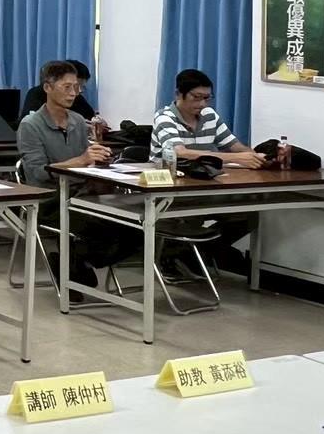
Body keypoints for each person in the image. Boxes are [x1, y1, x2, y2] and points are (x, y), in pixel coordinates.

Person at [16, 60, 141, 287]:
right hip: (48, 199)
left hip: (81, 194)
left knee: (135, 225)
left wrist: (99, 160)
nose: (74, 93)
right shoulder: (30, 124)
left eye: (77, 87)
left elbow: (86, 162)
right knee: (100, 225)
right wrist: (82, 160)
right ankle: (73, 262)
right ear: (47, 87)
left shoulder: (76, 120)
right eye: (67, 87)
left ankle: (75, 259)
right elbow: (37, 173)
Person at [151, 68, 263, 273]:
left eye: (206, 98)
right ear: (179, 94)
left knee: (248, 213)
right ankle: (183, 254)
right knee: (191, 216)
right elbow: (181, 152)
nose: (202, 104)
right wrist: (237, 158)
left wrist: (256, 157)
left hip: (204, 187)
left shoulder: (209, 116)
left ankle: (193, 252)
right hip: (169, 191)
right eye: (196, 97)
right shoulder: (165, 117)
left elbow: (235, 146)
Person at [22, 59, 98, 120]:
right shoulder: (36, 93)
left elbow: (90, 116)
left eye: (81, 87)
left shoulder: (77, 97)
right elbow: (30, 120)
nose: (78, 91)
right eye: (68, 86)